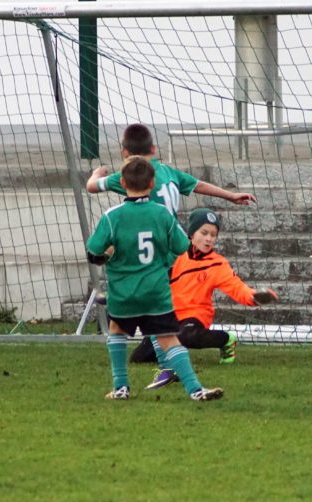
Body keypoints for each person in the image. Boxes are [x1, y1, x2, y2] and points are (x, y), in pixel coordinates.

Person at [86, 156, 224, 402]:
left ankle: (121, 388)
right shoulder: (162, 215)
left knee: (117, 330)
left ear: (123, 183)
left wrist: (110, 255)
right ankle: (195, 389)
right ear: (152, 184)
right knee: (169, 339)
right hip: (156, 292)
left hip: (123, 292)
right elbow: (183, 247)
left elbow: (94, 253)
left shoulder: (112, 216)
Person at [132, 208, 279, 389]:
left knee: (186, 336)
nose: (209, 239)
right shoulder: (175, 254)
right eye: (204, 233)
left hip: (196, 315)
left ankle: (226, 340)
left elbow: (236, 287)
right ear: (192, 233)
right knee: (139, 358)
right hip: (169, 316)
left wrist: (254, 297)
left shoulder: (217, 263)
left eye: (213, 235)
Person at [86, 123, 255, 216]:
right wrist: (231, 195)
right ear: (153, 149)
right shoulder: (169, 172)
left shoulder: (127, 176)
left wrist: (95, 174)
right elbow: (199, 185)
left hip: (152, 247)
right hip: (173, 242)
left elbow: (91, 187)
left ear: (124, 152)